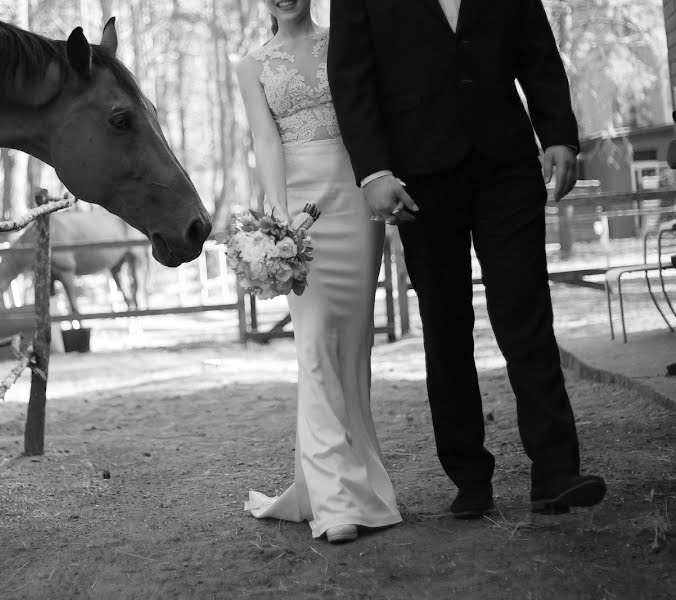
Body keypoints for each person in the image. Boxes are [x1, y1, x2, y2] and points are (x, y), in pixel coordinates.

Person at [327, 0, 606, 518]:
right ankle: (469, 477)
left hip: (507, 164)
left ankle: (556, 471)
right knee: (446, 326)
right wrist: (373, 171)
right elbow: (351, 79)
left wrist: (559, 133)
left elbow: (537, 49)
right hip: (418, 175)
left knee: (526, 314)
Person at [237, 0, 402, 543]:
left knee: (352, 346)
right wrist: (280, 219)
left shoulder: (346, 40)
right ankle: (334, 505)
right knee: (312, 347)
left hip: (356, 197)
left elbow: (374, 109)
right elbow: (266, 140)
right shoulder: (252, 64)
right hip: (299, 207)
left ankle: (352, 482)